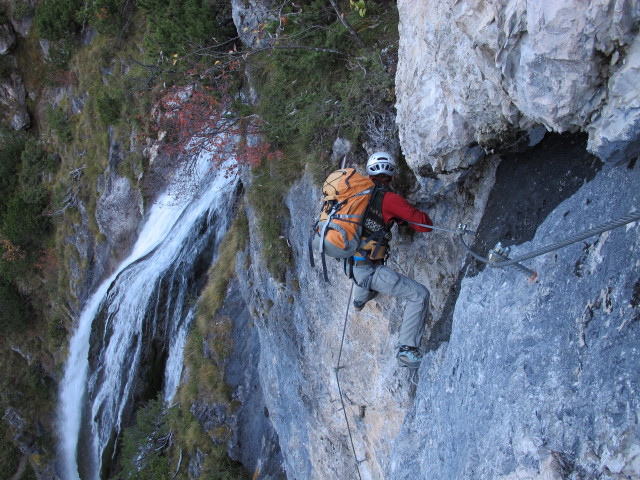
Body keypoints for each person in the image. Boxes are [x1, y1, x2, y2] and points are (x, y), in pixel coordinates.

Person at [348, 151, 433, 368]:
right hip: (369, 269)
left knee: (363, 274)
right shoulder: (390, 199)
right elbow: (424, 225)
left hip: (349, 260)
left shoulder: (356, 194)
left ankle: (359, 300)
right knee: (419, 295)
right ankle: (407, 350)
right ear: (392, 176)